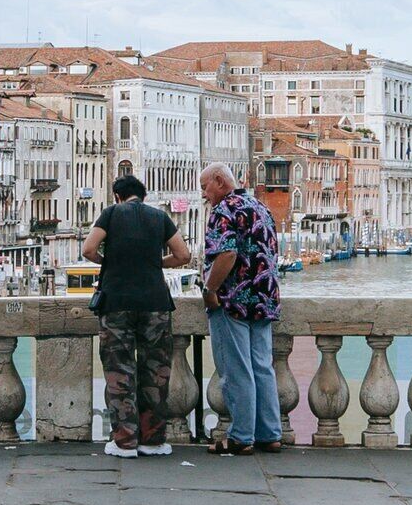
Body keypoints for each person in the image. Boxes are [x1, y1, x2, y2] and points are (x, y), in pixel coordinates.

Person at [82, 170, 192, 457]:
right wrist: (156, 264)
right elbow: (183, 255)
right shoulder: (159, 218)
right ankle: (153, 441)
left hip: (116, 302)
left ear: (118, 196)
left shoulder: (111, 213)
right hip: (155, 303)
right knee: (155, 372)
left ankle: (125, 442)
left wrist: (110, 261)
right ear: (143, 196)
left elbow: (88, 249)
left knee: (120, 372)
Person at [198, 164, 286, 452]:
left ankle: (241, 437)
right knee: (262, 367)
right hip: (264, 296)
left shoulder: (224, 210)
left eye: (205, 187)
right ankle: (270, 434)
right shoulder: (260, 207)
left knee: (236, 369)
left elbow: (228, 253)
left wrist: (210, 289)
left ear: (220, 181)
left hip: (233, 299)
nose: (204, 194)